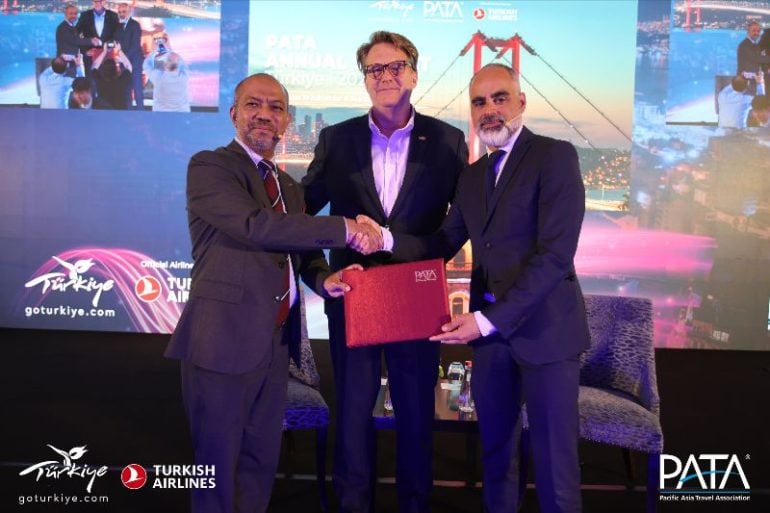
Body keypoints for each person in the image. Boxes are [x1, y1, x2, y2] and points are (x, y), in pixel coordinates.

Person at [376, 63, 590, 513]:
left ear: (521, 102)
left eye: (500, 98)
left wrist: (487, 321)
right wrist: (384, 240)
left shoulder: (555, 156)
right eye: (479, 102)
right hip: (492, 343)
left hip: (546, 335)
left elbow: (554, 257)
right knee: (496, 454)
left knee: (555, 465)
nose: (489, 109)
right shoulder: (472, 177)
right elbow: (441, 243)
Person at [164, 73, 380, 513]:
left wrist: (324, 280)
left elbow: (301, 252)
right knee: (216, 468)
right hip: (221, 341)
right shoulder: (210, 167)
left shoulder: (290, 188)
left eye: (276, 107)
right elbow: (257, 227)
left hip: (276, 346)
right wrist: (345, 228)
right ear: (234, 114)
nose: (264, 114)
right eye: (253, 104)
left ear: (286, 121)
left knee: (260, 463)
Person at [302, 31, 468, 513]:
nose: (385, 76)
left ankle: (414, 505)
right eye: (374, 69)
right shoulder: (337, 139)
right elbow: (299, 215)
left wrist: (393, 242)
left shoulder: (448, 142)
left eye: (395, 66)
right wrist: (319, 275)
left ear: (413, 75)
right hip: (354, 296)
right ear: (365, 80)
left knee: (416, 415)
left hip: (416, 298)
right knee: (353, 414)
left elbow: (455, 232)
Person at [75, 0, 119, 77]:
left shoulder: (113, 16)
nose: (98, 3)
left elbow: (117, 35)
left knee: (108, 80)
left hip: (108, 55)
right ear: (92, 2)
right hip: (90, 57)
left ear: (104, 2)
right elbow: (76, 35)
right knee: (91, 81)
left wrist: (110, 46)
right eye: (95, 1)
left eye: (100, 1)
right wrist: (84, 51)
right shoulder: (85, 16)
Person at [114, 1, 144, 109]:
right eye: (119, 12)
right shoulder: (117, 27)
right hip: (124, 63)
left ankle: (141, 113)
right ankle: (127, 114)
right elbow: (116, 44)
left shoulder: (135, 25)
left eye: (124, 11)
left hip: (135, 62)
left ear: (129, 12)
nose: (122, 14)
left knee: (137, 89)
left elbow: (135, 46)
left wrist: (123, 58)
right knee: (126, 90)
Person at [143, 45, 190, 112]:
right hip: (182, 113)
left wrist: (154, 51)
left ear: (164, 65)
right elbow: (182, 63)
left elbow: (146, 64)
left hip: (161, 114)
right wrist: (170, 50)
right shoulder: (184, 76)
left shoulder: (158, 77)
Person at [91, 41, 132, 109]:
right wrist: (119, 50)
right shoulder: (121, 81)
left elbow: (94, 67)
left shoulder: (100, 81)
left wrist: (104, 52)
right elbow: (129, 67)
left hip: (103, 112)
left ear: (103, 69)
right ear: (115, 69)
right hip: (120, 113)